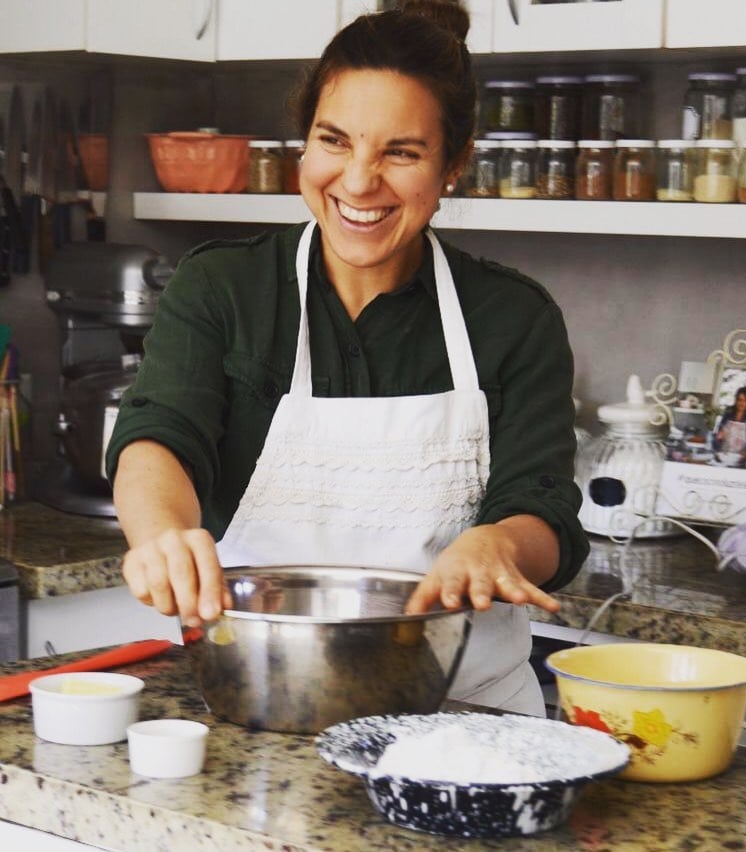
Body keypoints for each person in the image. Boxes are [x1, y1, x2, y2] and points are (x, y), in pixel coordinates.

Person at [106, 0, 588, 716]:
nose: (359, 182)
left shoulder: (513, 317)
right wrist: (162, 535)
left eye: (402, 152)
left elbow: (542, 505)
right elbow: (160, 434)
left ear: (454, 165)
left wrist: (501, 544)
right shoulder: (224, 286)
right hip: (261, 704)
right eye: (334, 141)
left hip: (467, 718)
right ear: (304, 144)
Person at [713, 386, 746, 466]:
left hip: (741, 463)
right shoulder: (727, 417)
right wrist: (718, 438)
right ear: (736, 400)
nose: (742, 403)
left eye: (745, 400)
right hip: (723, 460)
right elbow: (715, 445)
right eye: (740, 400)